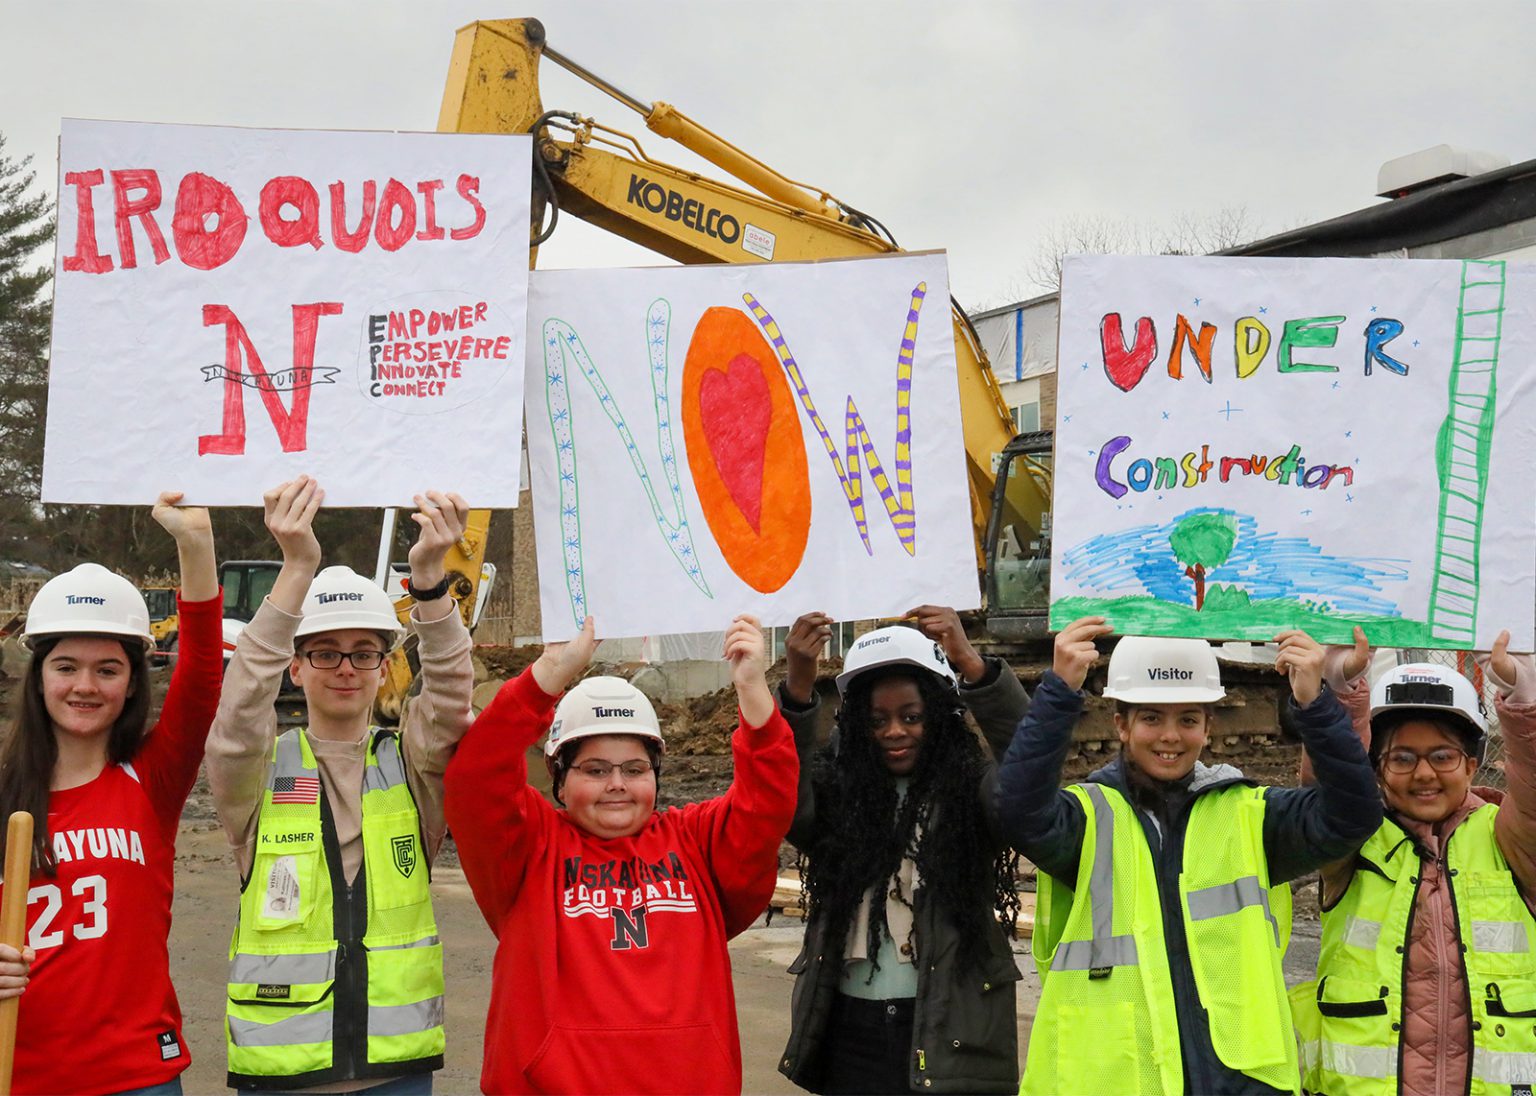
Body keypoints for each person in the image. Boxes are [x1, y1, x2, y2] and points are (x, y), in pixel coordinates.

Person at [996, 617, 1383, 1096]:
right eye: (1151, 717)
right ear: (1120, 724)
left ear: (1208, 727)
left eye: (1187, 719)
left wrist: (1315, 704)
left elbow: (1354, 814)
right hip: (1115, 1080)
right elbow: (1017, 810)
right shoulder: (1089, 820)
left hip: (1240, 1080)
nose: (1170, 736)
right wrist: (1058, 692)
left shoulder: (1249, 815)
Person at [443, 613, 797, 1094]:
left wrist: (753, 689)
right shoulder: (528, 850)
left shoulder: (695, 842)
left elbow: (767, 803)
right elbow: (476, 778)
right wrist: (548, 673)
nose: (616, 785)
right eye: (594, 769)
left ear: (656, 775)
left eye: (634, 768)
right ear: (559, 781)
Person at [206, 476, 474, 1093]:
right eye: (324, 652)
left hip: (396, 1075)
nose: (346, 668)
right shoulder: (259, 771)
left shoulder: (409, 766)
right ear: (294, 667)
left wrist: (430, 584)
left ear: (385, 665)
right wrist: (297, 568)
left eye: (363, 652)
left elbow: (453, 701)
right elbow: (240, 709)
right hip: (281, 1075)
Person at [0, 493, 220, 1096]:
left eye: (108, 669)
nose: (85, 686)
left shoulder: (152, 778)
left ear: (131, 683)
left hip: (136, 1076)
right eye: (66, 666)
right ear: (39, 677)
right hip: (20, 1075)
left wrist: (195, 547)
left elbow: (202, 676)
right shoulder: (2, 792)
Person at [774, 607, 1030, 1094]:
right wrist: (799, 689)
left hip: (951, 1032)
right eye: (878, 720)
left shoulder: (973, 793)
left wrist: (972, 664)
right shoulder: (837, 795)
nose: (895, 731)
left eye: (911, 717)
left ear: (937, 713)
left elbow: (1028, 769)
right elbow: (782, 796)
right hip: (852, 1032)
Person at [1293, 630, 1536, 1096]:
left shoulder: (1509, 839)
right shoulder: (1354, 840)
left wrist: (1525, 704)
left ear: (1471, 764)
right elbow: (1333, 790)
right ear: (1377, 767)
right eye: (1402, 758)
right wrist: (1341, 698)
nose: (1424, 773)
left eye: (1442, 756)